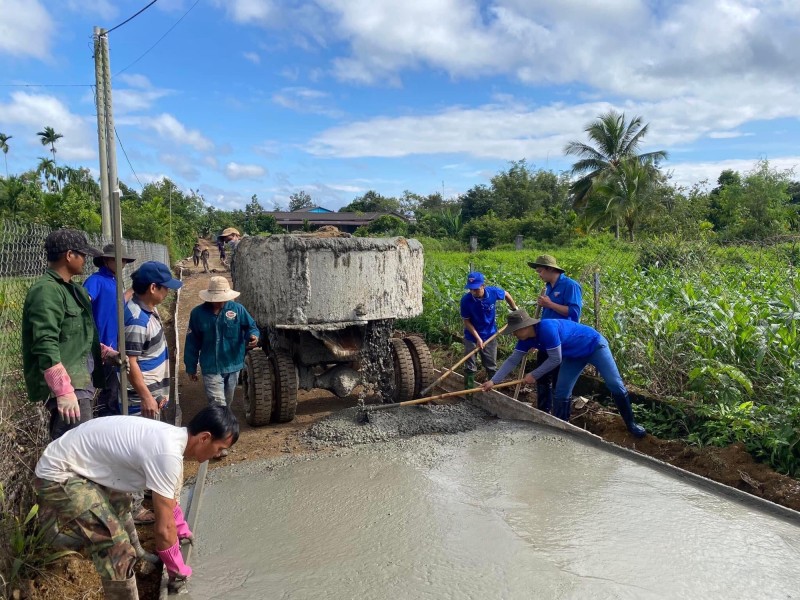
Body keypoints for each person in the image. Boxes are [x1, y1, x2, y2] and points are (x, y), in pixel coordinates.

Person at [34, 404, 239, 599]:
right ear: (204, 438)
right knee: (117, 549)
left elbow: (169, 501)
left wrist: (181, 528)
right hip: (59, 474)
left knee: (121, 502)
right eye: (220, 448)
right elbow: (163, 529)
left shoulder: (173, 439)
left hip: (83, 464)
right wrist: (177, 568)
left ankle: (139, 556)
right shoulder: (167, 454)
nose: (219, 454)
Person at [482, 309, 646, 438]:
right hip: (574, 356)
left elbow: (555, 359)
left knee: (614, 383)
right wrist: (493, 381)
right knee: (561, 391)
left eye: (515, 331)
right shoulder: (525, 340)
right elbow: (512, 360)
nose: (514, 334)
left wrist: (534, 374)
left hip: (594, 346)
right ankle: (562, 428)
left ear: (525, 327)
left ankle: (631, 424)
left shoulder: (547, 329)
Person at [22, 229, 110, 440]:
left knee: (79, 446)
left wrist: (105, 352)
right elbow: (45, 341)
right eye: (83, 255)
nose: (86, 260)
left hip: (80, 382)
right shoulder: (46, 291)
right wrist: (63, 389)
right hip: (70, 387)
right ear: (69, 255)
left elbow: (76, 335)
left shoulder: (74, 290)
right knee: (73, 449)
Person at [124, 261, 182, 523]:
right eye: (165, 288)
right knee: (140, 449)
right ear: (152, 288)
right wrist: (147, 396)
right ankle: (135, 508)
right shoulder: (137, 320)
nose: (168, 292)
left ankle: (148, 489)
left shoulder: (148, 309)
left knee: (150, 446)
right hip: (141, 399)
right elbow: (130, 362)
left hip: (153, 394)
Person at [184, 277, 259, 457]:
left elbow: (251, 327)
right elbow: (192, 342)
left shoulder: (237, 310)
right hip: (211, 366)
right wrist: (191, 366)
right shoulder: (198, 314)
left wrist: (254, 336)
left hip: (233, 364)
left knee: (227, 402)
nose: (219, 302)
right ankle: (218, 443)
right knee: (218, 404)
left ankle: (221, 433)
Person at [83, 243, 136, 417]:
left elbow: (117, 303)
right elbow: (83, 302)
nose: (123, 264)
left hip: (113, 348)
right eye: (119, 260)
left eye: (125, 261)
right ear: (106, 261)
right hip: (98, 348)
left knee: (111, 393)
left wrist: (133, 289)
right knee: (104, 396)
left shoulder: (115, 282)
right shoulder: (95, 280)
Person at [528, 254, 583, 413]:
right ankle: (543, 411)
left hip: (563, 340)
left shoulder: (570, 285)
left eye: (540, 271)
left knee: (559, 379)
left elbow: (574, 313)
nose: (539, 275)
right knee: (542, 376)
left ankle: (559, 415)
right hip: (546, 339)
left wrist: (549, 304)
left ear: (550, 269)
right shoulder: (547, 287)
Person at [460, 271, 517, 389]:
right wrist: (478, 338)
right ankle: (469, 393)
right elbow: (467, 322)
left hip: (490, 334)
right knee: (470, 366)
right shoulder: (466, 300)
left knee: (491, 366)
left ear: (483, 286)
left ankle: (493, 393)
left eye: (476, 289)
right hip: (471, 336)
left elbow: (506, 294)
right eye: (471, 289)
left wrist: (515, 309)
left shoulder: (493, 292)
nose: (473, 292)